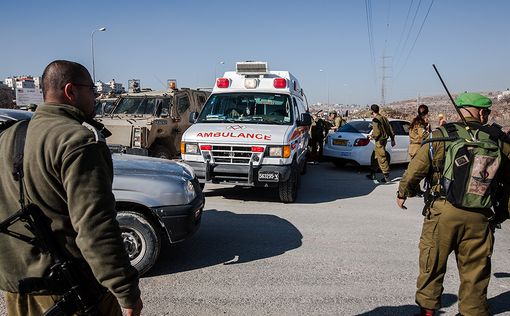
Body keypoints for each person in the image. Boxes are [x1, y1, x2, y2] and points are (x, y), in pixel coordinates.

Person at [0, 60, 143, 316]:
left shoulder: (7, 137)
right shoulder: (79, 141)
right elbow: (95, 227)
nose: (96, 97)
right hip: (73, 293)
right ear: (71, 91)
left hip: (16, 292)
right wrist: (126, 292)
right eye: (92, 90)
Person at [396, 92, 510, 316]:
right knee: (475, 271)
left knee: (432, 264)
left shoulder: (442, 136)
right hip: (480, 215)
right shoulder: (499, 141)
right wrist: (501, 214)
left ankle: (428, 311)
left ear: (460, 111)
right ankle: (473, 311)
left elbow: (415, 170)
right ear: (480, 112)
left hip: (443, 212)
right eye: (486, 112)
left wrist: (403, 192)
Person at [367, 104, 395, 183]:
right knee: (374, 157)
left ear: (372, 111)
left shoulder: (376, 120)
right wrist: (392, 139)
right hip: (383, 140)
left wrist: (371, 137)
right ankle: (372, 173)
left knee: (382, 158)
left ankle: (386, 177)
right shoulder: (384, 118)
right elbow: (390, 129)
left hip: (379, 141)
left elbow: (377, 133)